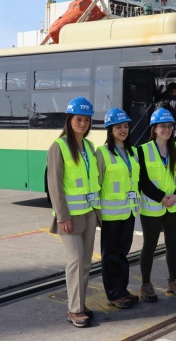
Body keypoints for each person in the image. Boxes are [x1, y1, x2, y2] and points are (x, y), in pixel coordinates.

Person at [47, 97, 101, 328]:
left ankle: (79, 303)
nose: (83, 123)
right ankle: (74, 310)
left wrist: (97, 211)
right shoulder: (58, 146)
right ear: (69, 120)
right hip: (70, 216)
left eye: (86, 120)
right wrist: (63, 217)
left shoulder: (89, 146)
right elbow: (54, 185)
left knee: (86, 262)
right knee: (76, 261)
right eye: (78, 119)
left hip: (88, 213)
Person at [138, 108, 176, 302]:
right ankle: (145, 284)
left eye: (170, 126)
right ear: (154, 128)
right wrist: (161, 197)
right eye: (162, 126)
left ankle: (173, 280)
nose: (167, 129)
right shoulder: (143, 150)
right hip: (152, 205)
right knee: (149, 246)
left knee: (173, 244)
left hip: (174, 205)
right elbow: (142, 180)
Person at [95, 108, 141, 309]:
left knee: (123, 253)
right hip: (111, 214)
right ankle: (113, 294)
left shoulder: (133, 151)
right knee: (111, 255)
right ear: (109, 129)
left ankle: (122, 289)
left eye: (125, 126)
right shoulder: (102, 152)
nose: (123, 130)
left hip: (129, 212)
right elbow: (96, 183)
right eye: (118, 127)